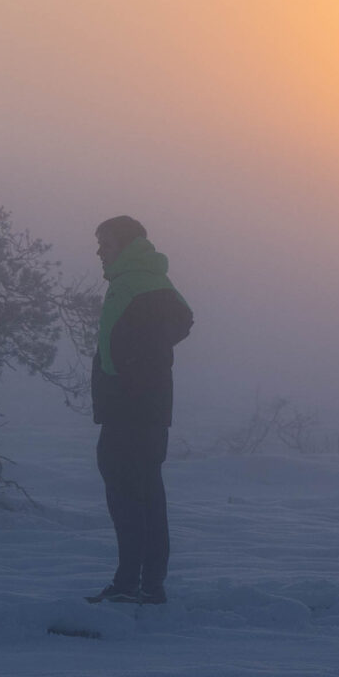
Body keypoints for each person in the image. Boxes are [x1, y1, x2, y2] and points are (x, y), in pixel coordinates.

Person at [87, 215, 194, 605]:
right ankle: (149, 583)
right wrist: (146, 358)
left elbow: (118, 351)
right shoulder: (149, 278)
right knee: (148, 492)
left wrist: (132, 369)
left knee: (128, 493)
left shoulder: (133, 283)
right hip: (147, 407)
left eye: (105, 244)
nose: (99, 252)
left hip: (130, 409)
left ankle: (129, 583)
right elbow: (182, 318)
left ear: (124, 245)